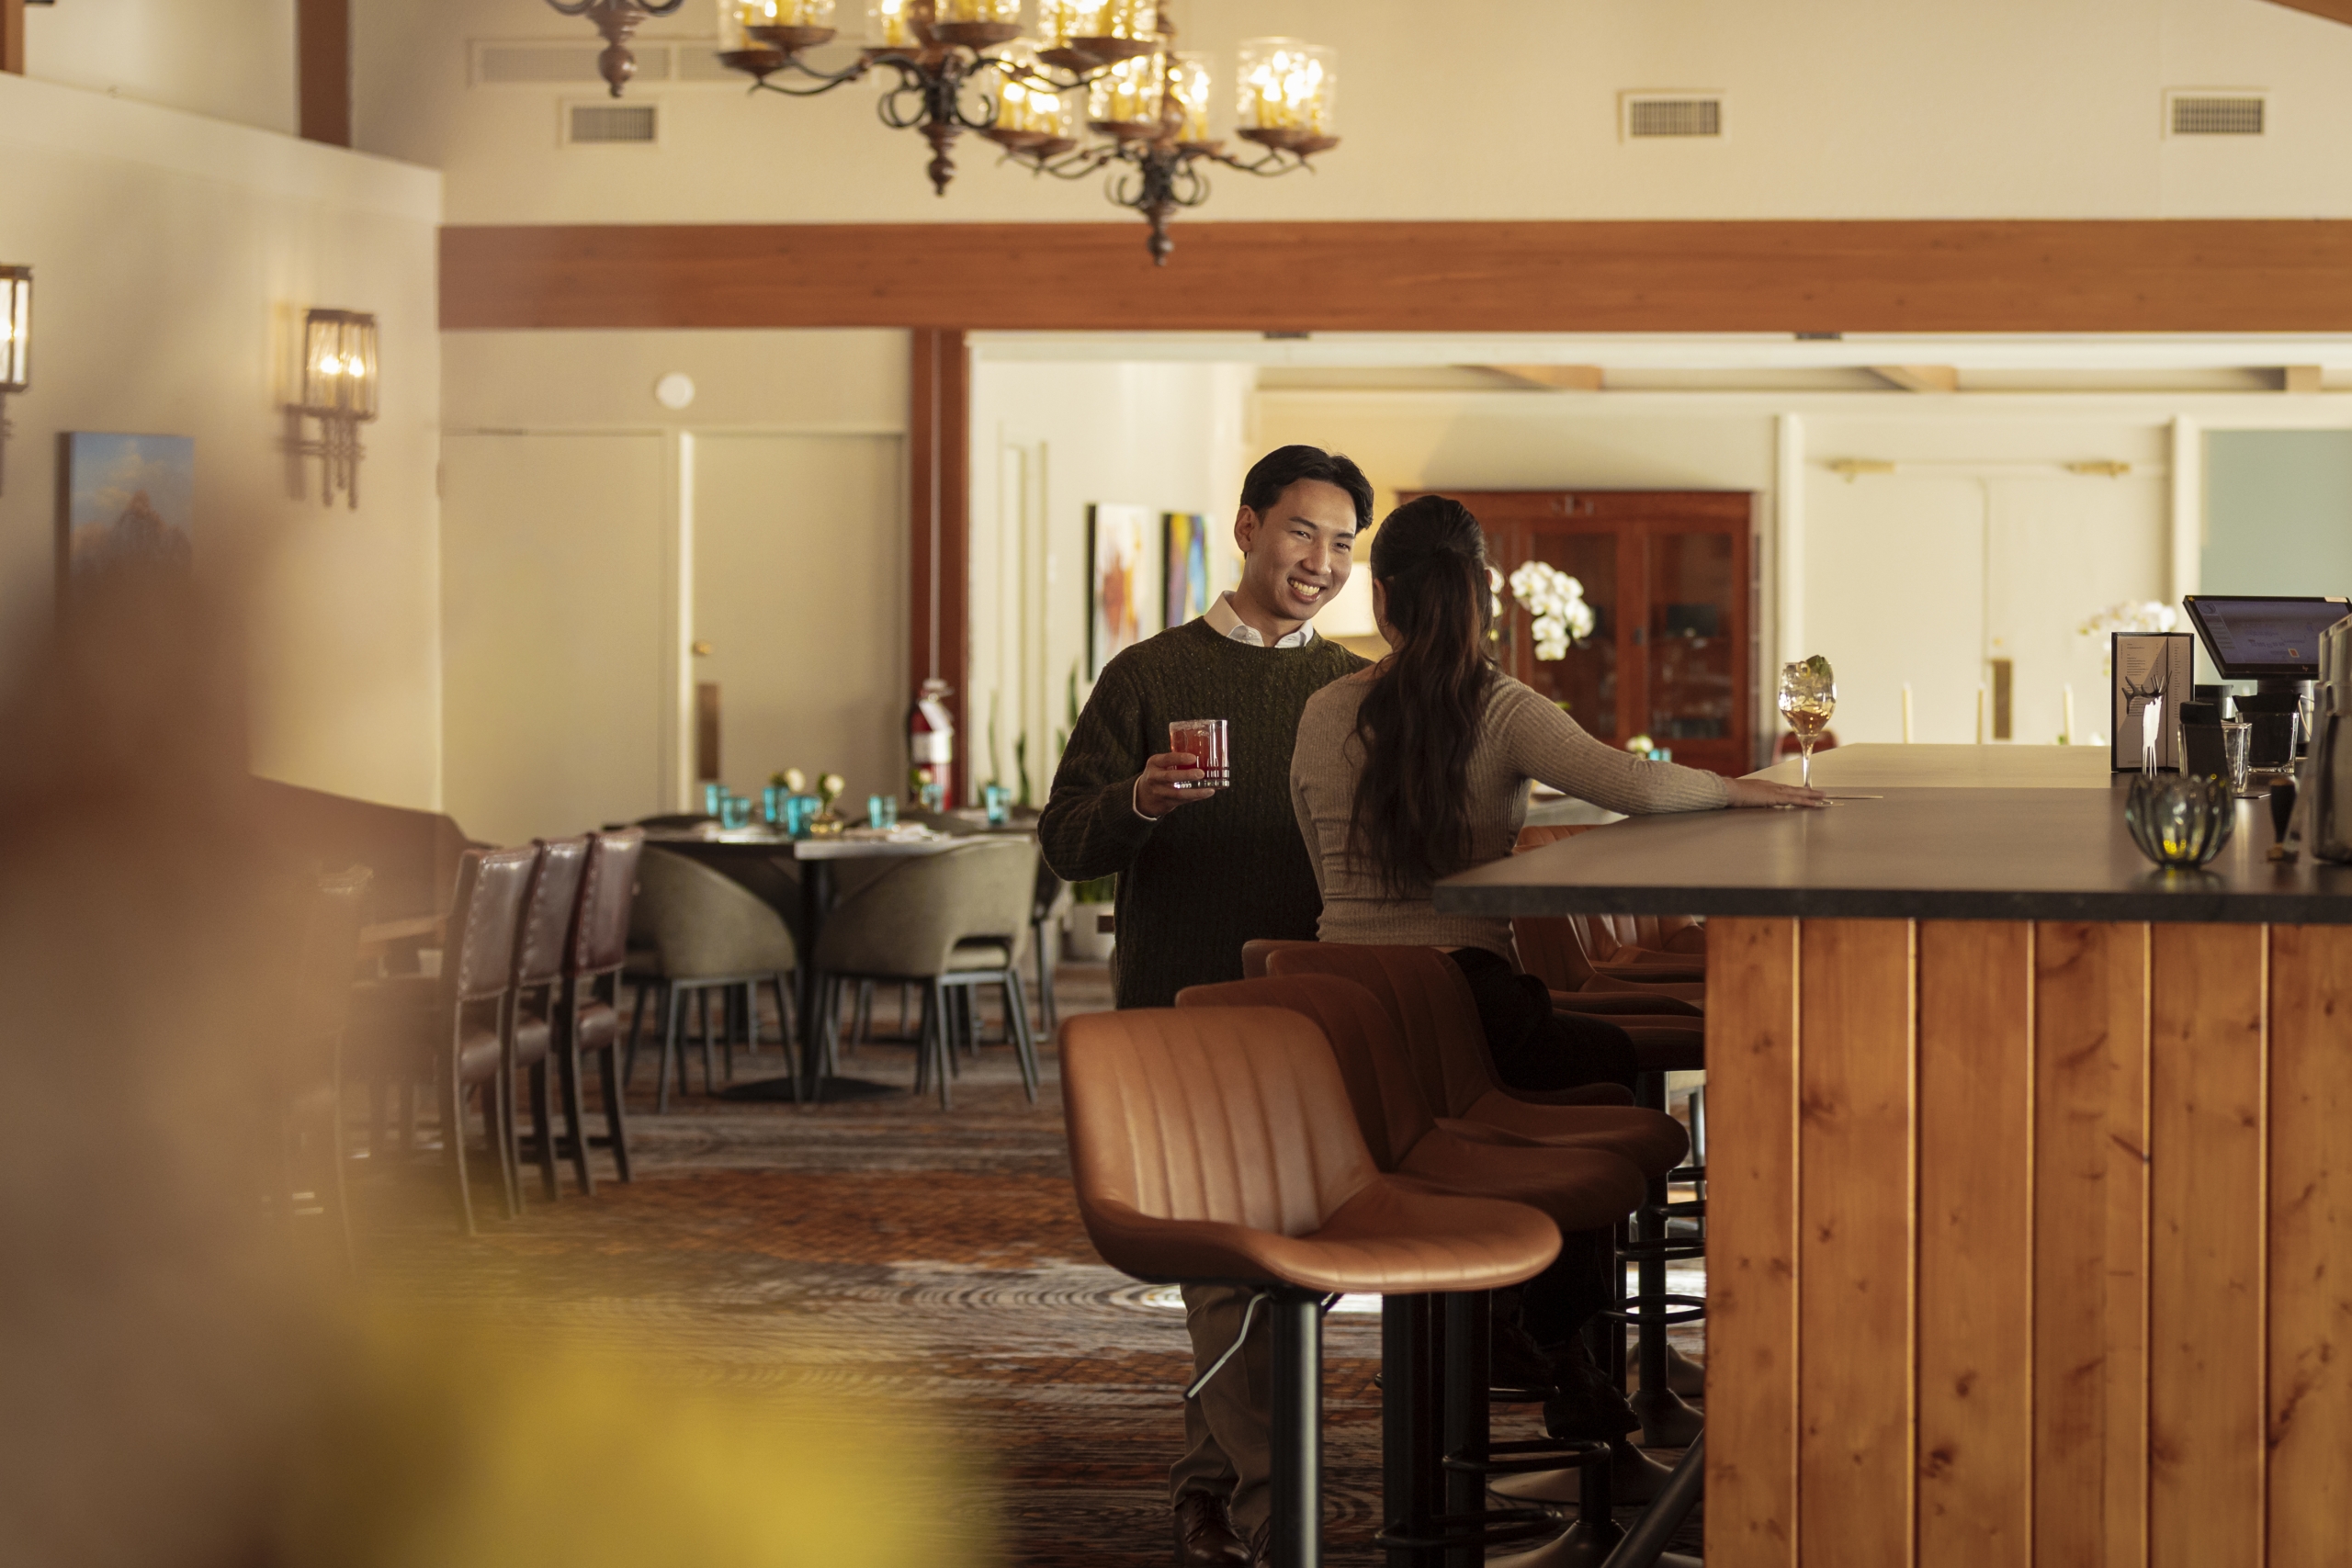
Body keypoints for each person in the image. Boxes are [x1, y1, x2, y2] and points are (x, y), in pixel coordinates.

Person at [1287, 491, 1826, 1454]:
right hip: (1464, 1008)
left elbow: (1314, 861)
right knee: (1600, 1077)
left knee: (1569, 1071)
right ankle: (1552, 1332)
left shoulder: (1324, 710)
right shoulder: (1495, 706)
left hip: (1336, 1024)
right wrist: (1737, 790)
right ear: (1480, 597)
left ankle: (1525, 1327)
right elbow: (1632, 783)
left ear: (1382, 598)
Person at [1038, 445, 1374, 1568]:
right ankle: (1280, 1512)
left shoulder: (1355, 691)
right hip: (1178, 1013)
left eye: (1342, 544)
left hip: (1310, 1010)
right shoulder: (1147, 674)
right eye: (1301, 532)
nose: (1320, 561)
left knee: (1281, 1262)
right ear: (1246, 529)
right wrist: (1136, 800)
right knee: (1224, 1262)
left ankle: (1204, 1484)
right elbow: (1063, 840)